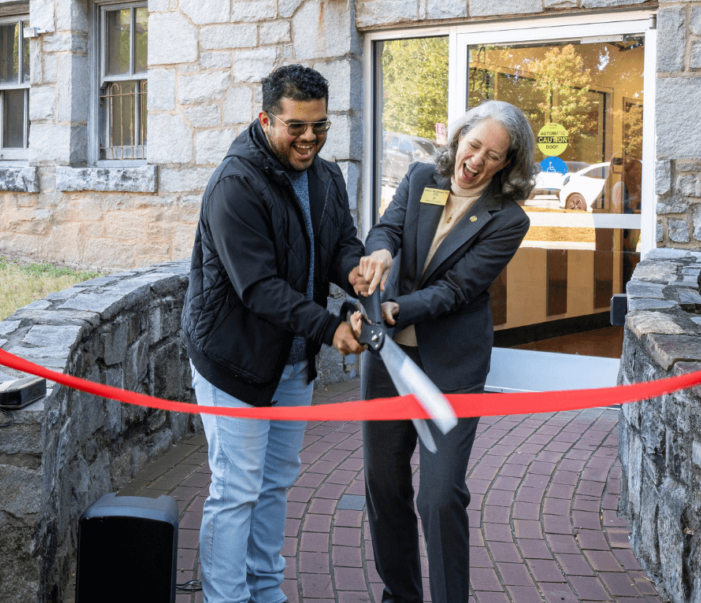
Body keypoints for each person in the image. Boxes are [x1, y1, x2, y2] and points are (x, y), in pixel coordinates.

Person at [182, 64, 366, 603]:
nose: (310, 138)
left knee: (275, 484)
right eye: (297, 127)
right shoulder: (235, 183)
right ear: (265, 119)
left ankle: (266, 592)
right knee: (237, 490)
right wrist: (331, 328)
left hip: (292, 363)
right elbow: (258, 288)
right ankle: (226, 597)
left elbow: (340, 243)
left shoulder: (327, 177)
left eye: (320, 126)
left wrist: (354, 271)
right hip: (234, 361)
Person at [351, 100, 534, 603]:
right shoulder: (418, 179)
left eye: (493, 156)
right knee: (384, 487)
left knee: (439, 495)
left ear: (508, 163)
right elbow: (387, 228)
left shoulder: (509, 219)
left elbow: (457, 289)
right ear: (459, 137)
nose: (476, 161)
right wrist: (382, 250)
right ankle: (401, 594)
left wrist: (394, 310)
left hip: (451, 369)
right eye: (473, 146)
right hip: (389, 365)